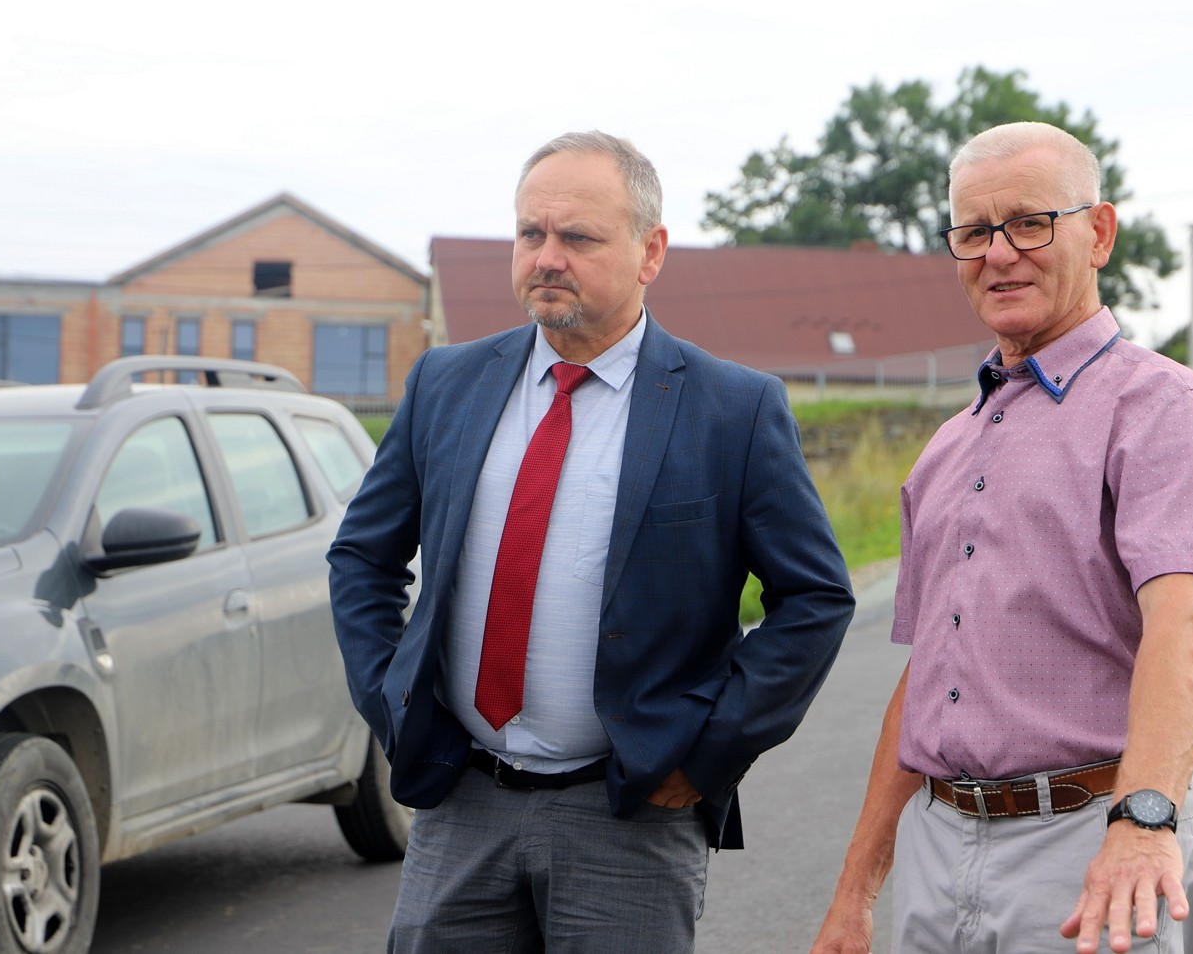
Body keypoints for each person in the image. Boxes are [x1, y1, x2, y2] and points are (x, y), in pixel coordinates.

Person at [330, 129, 856, 952]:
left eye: (577, 237)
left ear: (651, 252)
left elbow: (815, 598)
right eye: (530, 233)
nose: (547, 257)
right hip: (461, 801)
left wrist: (707, 752)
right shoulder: (445, 383)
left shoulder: (732, 409)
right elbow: (364, 555)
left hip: (630, 812)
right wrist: (391, 701)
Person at [810, 122, 1193, 954]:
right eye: (974, 231)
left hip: (1092, 843)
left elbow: (1183, 626)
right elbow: (930, 675)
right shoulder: (948, 446)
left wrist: (1142, 820)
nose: (999, 253)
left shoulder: (1163, 408)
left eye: (1029, 223)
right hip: (939, 850)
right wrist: (857, 890)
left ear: (1100, 232)